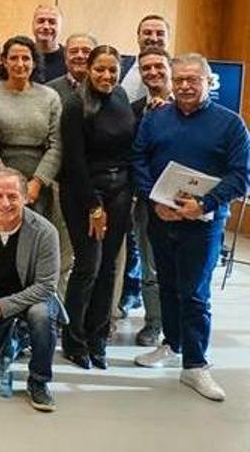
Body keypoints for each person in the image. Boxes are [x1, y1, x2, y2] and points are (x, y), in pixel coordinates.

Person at [132, 54, 249, 402]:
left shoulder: (231, 125)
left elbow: (240, 176)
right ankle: (172, 343)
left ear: (208, 82)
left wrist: (204, 204)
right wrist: (154, 200)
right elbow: (138, 159)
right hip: (161, 217)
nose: (184, 85)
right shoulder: (156, 119)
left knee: (196, 292)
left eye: (192, 80)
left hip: (204, 223)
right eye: (179, 79)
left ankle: (196, 364)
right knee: (166, 284)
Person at [58, 45, 135, 370]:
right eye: (100, 69)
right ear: (88, 69)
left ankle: (97, 338)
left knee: (110, 269)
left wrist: (124, 193)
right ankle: (74, 340)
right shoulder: (76, 105)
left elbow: (128, 148)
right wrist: (94, 206)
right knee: (89, 265)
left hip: (119, 193)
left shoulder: (122, 99)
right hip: (83, 194)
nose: (106, 76)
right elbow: (74, 162)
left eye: (112, 70)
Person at [0, 168, 62, 413]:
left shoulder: (45, 232)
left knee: (41, 315)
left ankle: (39, 382)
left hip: (31, 298)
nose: (4, 203)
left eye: (12, 196)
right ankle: (17, 336)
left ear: (26, 197)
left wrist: (2, 307)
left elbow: (46, 286)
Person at [0, 35, 61, 218]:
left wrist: (37, 183)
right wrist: (5, 182)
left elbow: (57, 145)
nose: (20, 63)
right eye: (14, 58)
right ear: (4, 61)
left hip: (39, 182)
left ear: (34, 62)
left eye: (26, 58)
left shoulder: (50, 97)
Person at [125, 47, 172, 347]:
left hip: (190, 204)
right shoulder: (135, 109)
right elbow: (134, 154)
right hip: (148, 201)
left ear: (170, 67)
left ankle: (180, 330)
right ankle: (154, 324)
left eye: (158, 66)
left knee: (185, 270)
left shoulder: (189, 104)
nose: (152, 72)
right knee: (151, 267)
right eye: (146, 68)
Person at [120, 14, 171, 102]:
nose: (154, 38)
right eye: (147, 33)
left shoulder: (182, 71)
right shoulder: (119, 65)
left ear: (168, 39)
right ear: (138, 37)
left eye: (160, 34)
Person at [46, 32, 97, 102]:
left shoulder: (106, 87)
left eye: (86, 51)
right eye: (73, 51)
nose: (80, 56)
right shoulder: (49, 90)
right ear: (65, 56)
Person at [30, 5, 65, 83]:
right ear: (33, 24)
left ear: (60, 26)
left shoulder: (69, 58)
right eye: (41, 21)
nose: (46, 26)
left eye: (52, 22)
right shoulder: (23, 57)